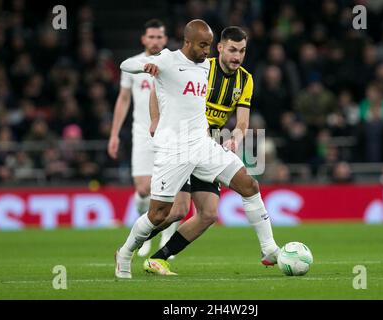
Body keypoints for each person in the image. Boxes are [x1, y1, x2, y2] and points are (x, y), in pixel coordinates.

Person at [115, 19, 279, 277]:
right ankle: (126, 251)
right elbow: (137, 73)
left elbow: (243, 121)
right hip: (175, 148)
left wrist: (234, 137)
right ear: (219, 49)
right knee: (162, 213)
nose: (207, 51)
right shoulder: (173, 61)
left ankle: (269, 249)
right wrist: (145, 70)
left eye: (242, 51)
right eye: (206, 46)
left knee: (244, 189)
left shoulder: (226, 74)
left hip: (206, 144)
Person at [107, 19, 189, 260]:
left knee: (171, 191)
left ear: (165, 39)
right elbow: (123, 100)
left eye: (159, 37)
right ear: (144, 39)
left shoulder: (173, 63)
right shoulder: (135, 65)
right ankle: (143, 232)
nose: (155, 41)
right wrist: (114, 134)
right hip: (142, 135)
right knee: (144, 189)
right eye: (151, 37)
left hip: (170, 133)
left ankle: (164, 237)